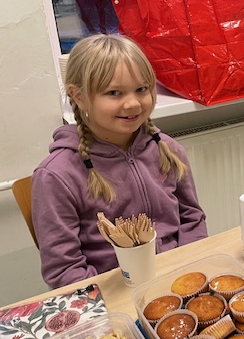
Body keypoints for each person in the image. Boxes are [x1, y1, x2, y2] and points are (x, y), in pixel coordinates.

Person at [32, 34, 208, 289]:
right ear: (78, 96)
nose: (133, 103)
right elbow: (64, 270)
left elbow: (192, 219)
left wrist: (188, 272)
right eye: (114, 93)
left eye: (142, 89)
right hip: (111, 293)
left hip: (178, 279)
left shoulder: (168, 150)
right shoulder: (56, 176)